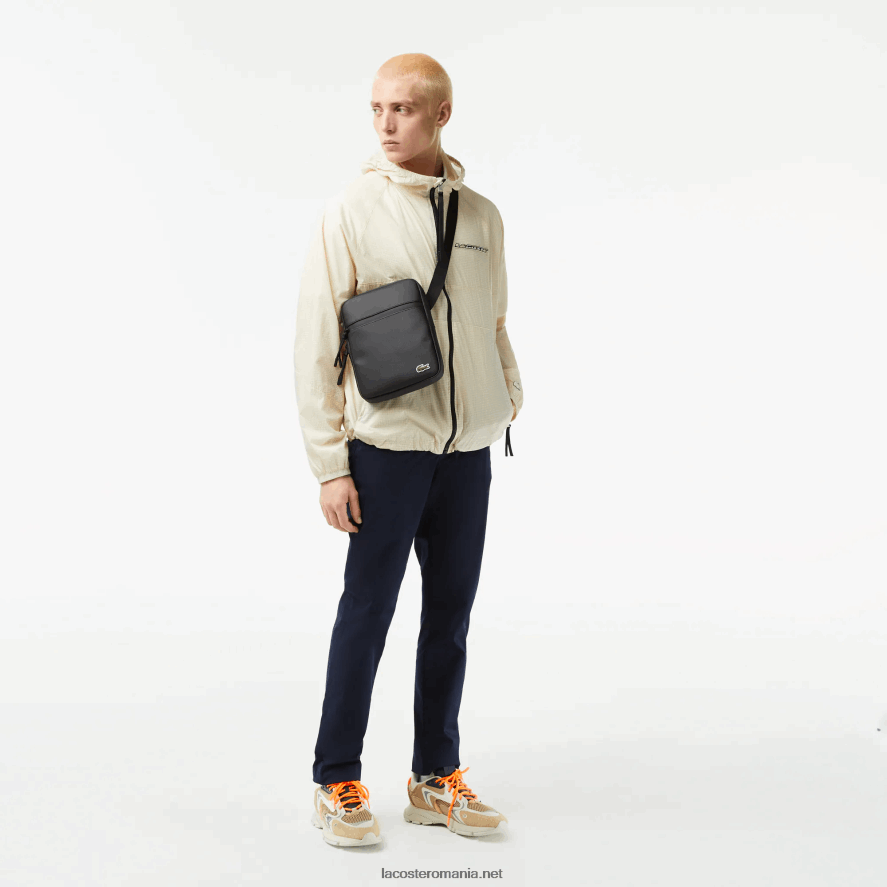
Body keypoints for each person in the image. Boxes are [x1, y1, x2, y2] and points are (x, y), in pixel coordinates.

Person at [293, 52, 523, 848]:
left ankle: (434, 777)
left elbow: (494, 322)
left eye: (404, 109)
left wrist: (506, 398)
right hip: (386, 450)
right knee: (366, 613)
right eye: (377, 109)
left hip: (466, 454)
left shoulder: (482, 216)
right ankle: (335, 778)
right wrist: (330, 464)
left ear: (440, 114)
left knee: (449, 619)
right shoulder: (351, 210)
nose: (386, 124)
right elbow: (316, 343)